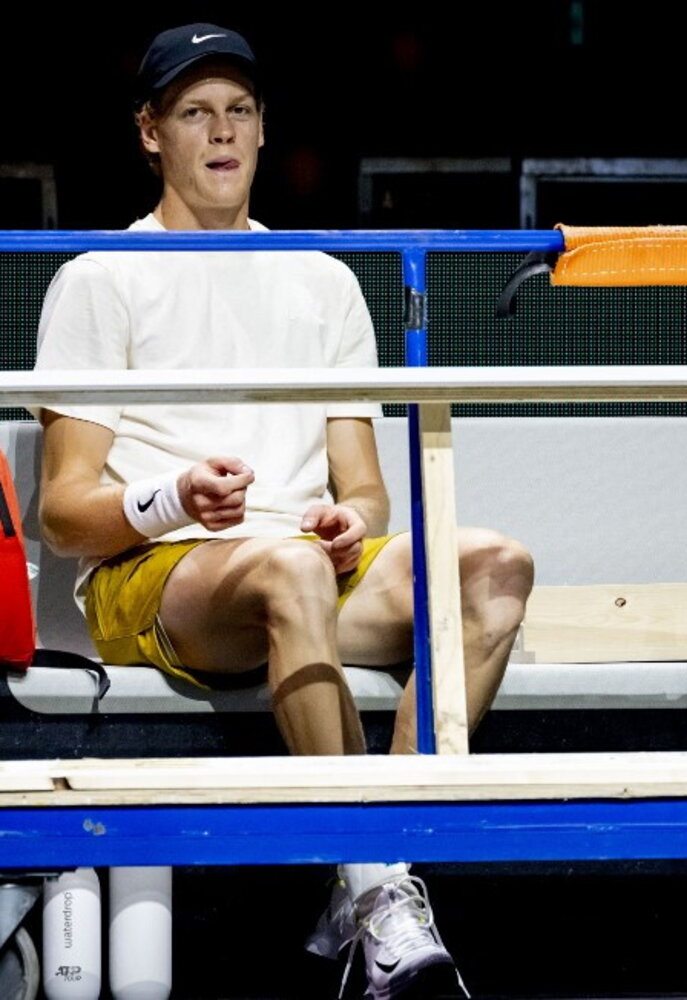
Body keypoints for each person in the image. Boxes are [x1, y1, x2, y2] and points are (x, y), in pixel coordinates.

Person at [31, 22, 534, 1000]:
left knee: (492, 566)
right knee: (289, 567)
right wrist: (173, 496)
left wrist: (352, 520)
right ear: (150, 134)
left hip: (299, 570)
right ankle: (377, 887)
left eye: (239, 110)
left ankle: (373, 875)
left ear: (263, 129)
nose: (222, 131)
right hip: (156, 577)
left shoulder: (323, 280)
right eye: (194, 112)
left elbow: (366, 489)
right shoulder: (98, 278)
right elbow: (64, 512)